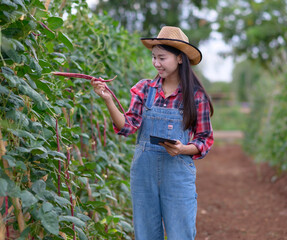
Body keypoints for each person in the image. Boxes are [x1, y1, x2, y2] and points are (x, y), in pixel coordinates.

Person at [91, 26, 214, 240]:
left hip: (178, 173)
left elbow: (205, 140)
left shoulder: (196, 96)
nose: (156, 63)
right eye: (153, 57)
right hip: (143, 174)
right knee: (146, 234)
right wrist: (108, 100)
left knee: (180, 234)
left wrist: (183, 148)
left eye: (162, 58)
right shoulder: (144, 89)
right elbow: (127, 127)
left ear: (179, 59)